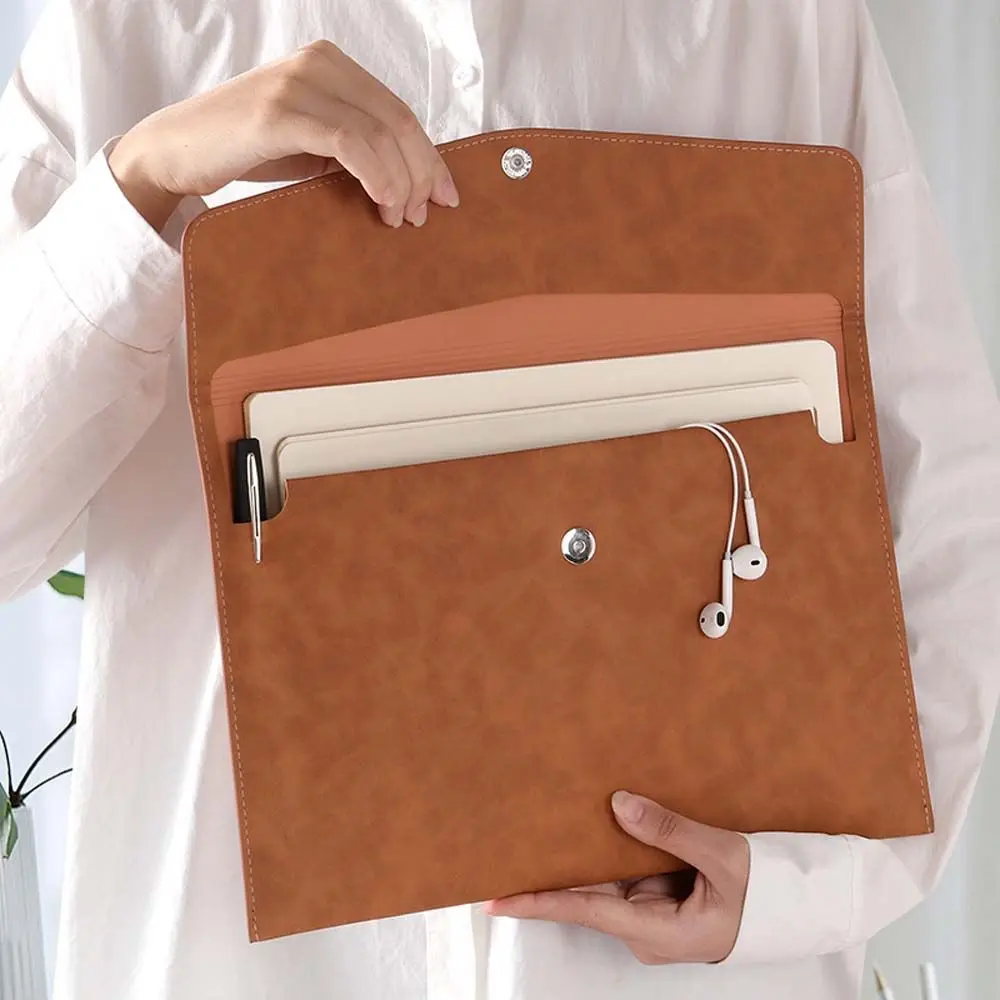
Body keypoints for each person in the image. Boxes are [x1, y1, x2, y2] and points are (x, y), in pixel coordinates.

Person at [1, 0, 999, 997]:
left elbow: (946, 489)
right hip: (243, 959)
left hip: (686, 962)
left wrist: (809, 887)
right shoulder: (129, 27)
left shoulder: (782, 25)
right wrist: (143, 181)